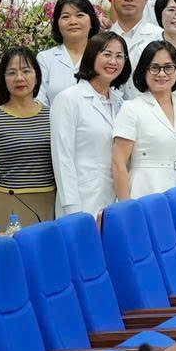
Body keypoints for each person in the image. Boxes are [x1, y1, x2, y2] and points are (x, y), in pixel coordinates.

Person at [0, 48, 56, 233]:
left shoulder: (53, 116)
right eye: (12, 73)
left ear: (37, 76)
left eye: (26, 71)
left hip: (49, 203)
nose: (19, 78)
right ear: (3, 78)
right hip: (8, 205)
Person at [52, 32, 129, 218]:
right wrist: (72, 208)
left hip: (114, 199)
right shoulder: (68, 99)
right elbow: (62, 158)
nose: (113, 61)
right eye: (107, 54)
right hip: (81, 200)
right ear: (91, 55)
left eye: (119, 56)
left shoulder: (120, 103)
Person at [111, 40, 176, 205]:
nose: (162, 74)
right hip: (143, 189)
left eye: (168, 67)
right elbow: (118, 163)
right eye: (154, 68)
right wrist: (126, 208)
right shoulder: (132, 108)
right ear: (144, 71)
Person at [37, 0, 103, 107]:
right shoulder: (45, 58)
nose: (73, 22)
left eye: (79, 15)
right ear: (57, 24)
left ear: (92, 22)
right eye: (65, 17)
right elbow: (39, 101)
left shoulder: (103, 56)